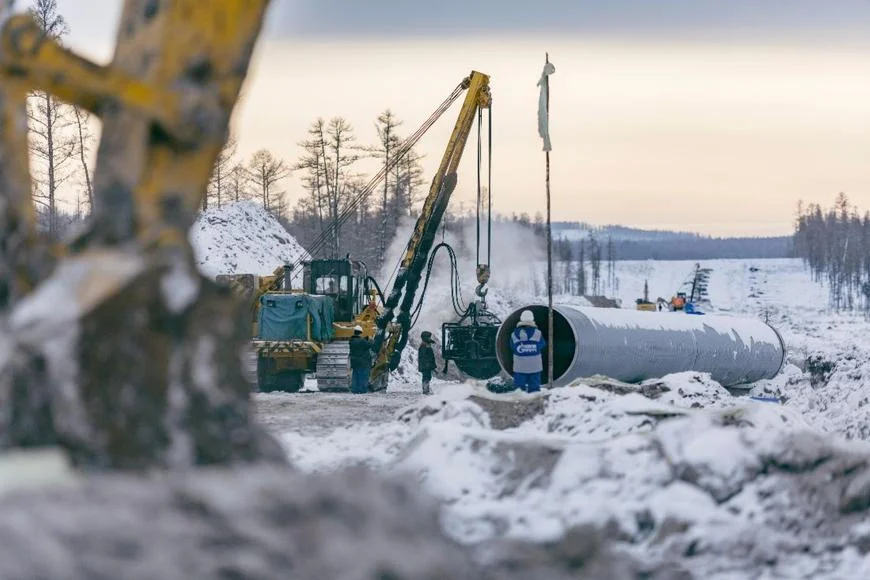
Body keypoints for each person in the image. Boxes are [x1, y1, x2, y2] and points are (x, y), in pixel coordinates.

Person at [510, 310, 546, 393]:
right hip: (535, 367)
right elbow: (542, 345)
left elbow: (512, 347)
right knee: (534, 389)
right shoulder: (538, 333)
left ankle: (519, 405)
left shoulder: (513, 334)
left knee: (519, 391)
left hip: (520, 367)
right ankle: (533, 405)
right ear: (532, 319)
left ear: (521, 319)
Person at [348, 325, 373, 394]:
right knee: (362, 376)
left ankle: (354, 390)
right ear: (361, 333)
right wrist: (371, 339)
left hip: (354, 362)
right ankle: (362, 390)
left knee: (355, 376)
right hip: (362, 362)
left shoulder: (351, 341)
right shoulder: (362, 341)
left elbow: (359, 342)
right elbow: (370, 345)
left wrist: (365, 338)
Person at [418, 331, 437, 395]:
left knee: (427, 377)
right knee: (426, 377)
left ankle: (426, 389)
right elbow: (426, 358)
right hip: (426, 365)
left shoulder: (425, 345)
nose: (430, 338)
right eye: (429, 337)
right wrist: (430, 366)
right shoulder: (424, 347)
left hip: (426, 365)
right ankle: (426, 390)